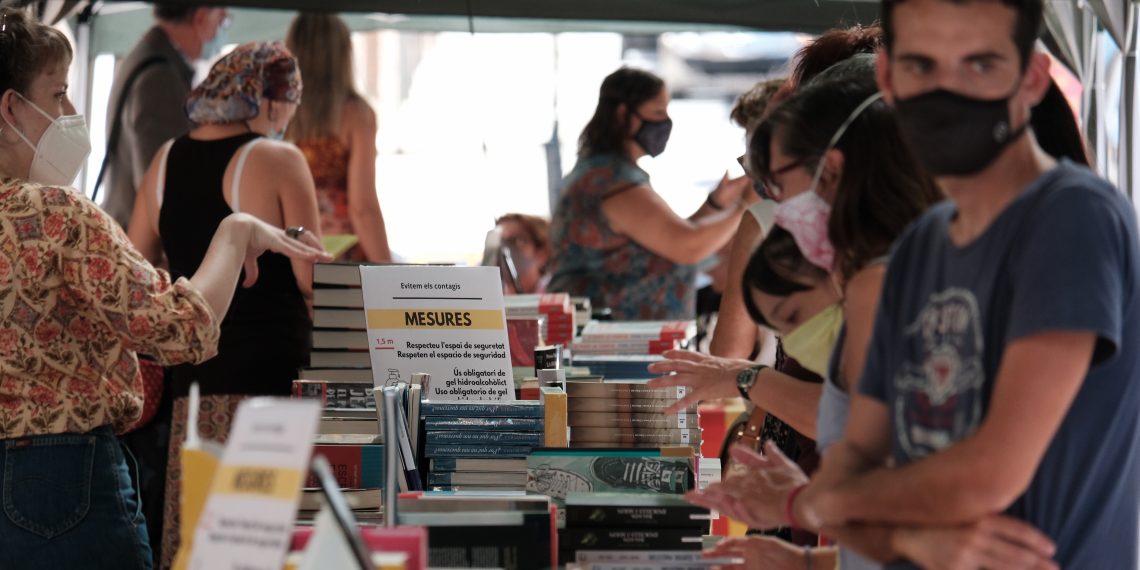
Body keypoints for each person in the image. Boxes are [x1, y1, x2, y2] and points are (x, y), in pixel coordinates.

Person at [786, 0, 1139, 568]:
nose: (947, 92)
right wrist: (899, 534)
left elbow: (987, 476)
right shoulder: (919, 248)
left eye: (980, 64)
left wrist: (828, 502)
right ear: (889, 78)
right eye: (922, 65)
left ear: (1032, 79)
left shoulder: (1072, 218)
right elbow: (853, 459)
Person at [0, 10, 329, 569]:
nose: (71, 111)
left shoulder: (164, 161)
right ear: (11, 108)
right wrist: (235, 233)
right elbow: (180, 329)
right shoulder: (58, 215)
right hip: (66, 482)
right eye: (57, 95)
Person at [125, 41, 323, 567]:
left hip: (194, 385)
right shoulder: (279, 158)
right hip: (272, 379)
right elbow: (311, 278)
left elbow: (137, 266)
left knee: (202, 532)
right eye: (291, 104)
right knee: (265, 536)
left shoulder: (164, 161)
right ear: (270, 101)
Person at [546, 67, 749, 321]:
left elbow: (669, 239)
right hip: (610, 335)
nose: (666, 122)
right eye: (658, 112)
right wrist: (745, 204)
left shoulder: (608, 173)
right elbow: (688, 246)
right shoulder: (612, 183)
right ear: (624, 114)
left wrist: (716, 204)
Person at [101, 3, 230, 229]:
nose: (221, 31)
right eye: (222, 20)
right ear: (200, 18)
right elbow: (160, 187)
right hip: (141, 240)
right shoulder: (159, 77)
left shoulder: (146, 57)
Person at [286, 12, 391, 262]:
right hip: (342, 255)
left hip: (291, 251)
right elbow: (362, 208)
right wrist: (388, 272)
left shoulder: (277, 113)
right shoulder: (356, 115)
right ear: (342, 53)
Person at [495, 213, 552, 294]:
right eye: (500, 241)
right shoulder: (490, 294)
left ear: (542, 253)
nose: (504, 248)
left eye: (518, 241)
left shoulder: (556, 293)